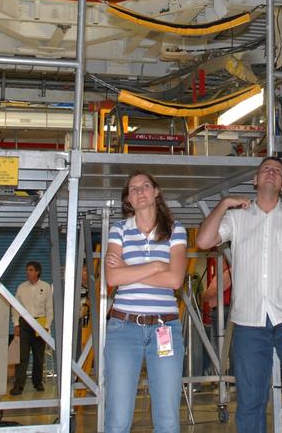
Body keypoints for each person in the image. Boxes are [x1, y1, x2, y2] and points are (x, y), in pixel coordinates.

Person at [197, 156, 282, 433]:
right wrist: (224, 204)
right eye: (266, 169)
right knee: (250, 403)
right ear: (255, 180)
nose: (271, 173)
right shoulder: (236, 217)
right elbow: (203, 241)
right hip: (248, 323)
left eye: (277, 172)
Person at [104, 171, 188, 433]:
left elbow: (175, 280)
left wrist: (130, 268)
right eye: (133, 189)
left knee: (168, 420)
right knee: (117, 420)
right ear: (128, 200)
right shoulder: (118, 230)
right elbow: (112, 276)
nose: (139, 191)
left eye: (145, 186)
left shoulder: (176, 231)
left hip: (165, 329)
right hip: (123, 329)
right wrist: (155, 265)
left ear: (156, 192)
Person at [12, 260, 53, 395]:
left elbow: (49, 308)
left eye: (30, 270)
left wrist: (47, 326)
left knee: (38, 355)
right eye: (27, 270)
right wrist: (16, 324)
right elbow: (15, 307)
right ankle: (19, 385)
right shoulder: (21, 287)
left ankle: (38, 382)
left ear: (37, 272)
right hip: (24, 323)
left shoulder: (46, 287)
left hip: (40, 323)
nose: (27, 272)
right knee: (22, 356)